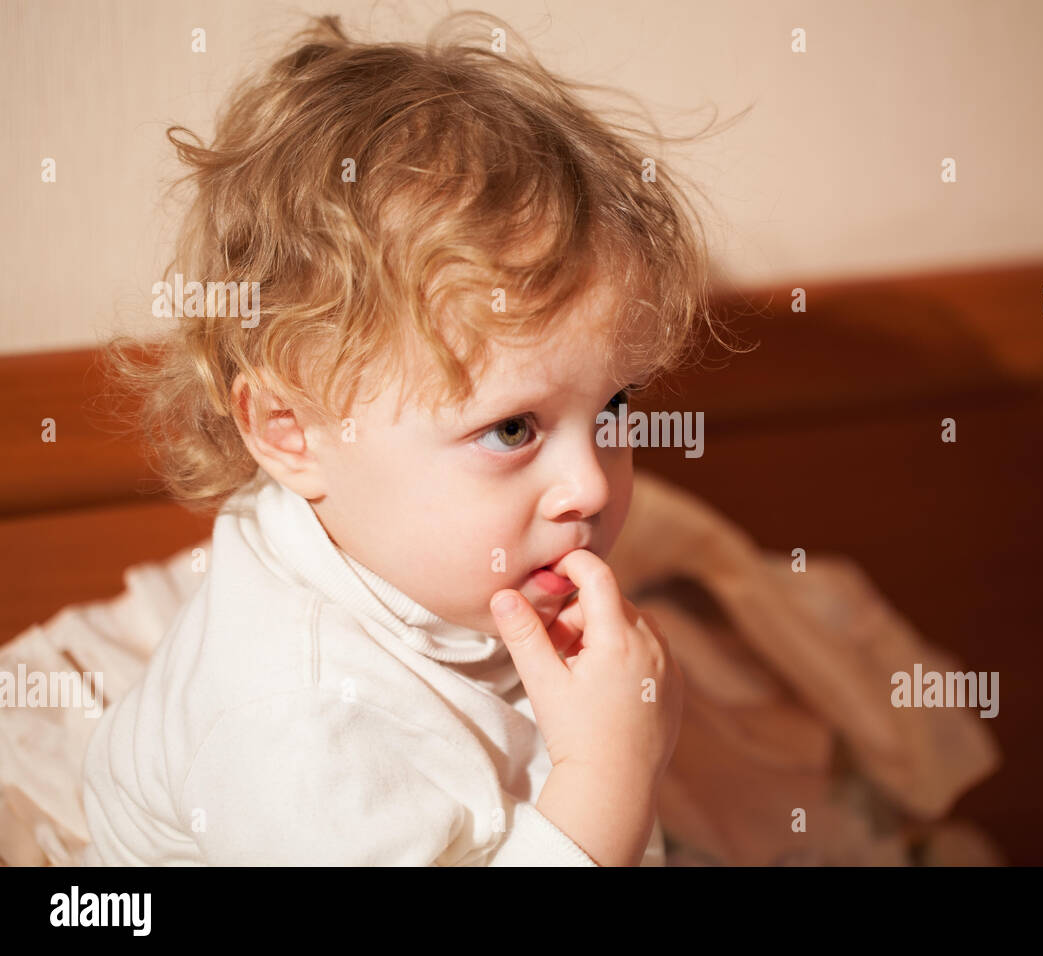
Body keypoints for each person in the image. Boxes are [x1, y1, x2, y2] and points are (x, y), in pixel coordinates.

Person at [83, 9, 740, 866]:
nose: (591, 484)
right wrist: (610, 775)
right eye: (512, 427)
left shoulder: (412, 537)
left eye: (613, 408)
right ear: (289, 429)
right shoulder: (299, 724)